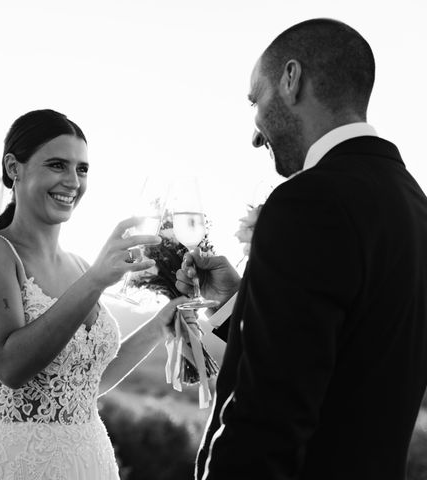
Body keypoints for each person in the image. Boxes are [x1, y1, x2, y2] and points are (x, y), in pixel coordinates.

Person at [176, 18, 427, 480]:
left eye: (256, 99)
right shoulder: (413, 204)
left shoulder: (307, 202)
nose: (255, 133)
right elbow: (343, 358)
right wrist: (244, 298)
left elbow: (267, 419)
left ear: (291, 80)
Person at [0, 109, 185, 480]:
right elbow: (11, 366)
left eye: (82, 169)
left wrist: (159, 325)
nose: (73, 181)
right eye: (57, 165)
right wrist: (96, 282)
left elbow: (86, 385)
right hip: (20, 466)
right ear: (13, 168)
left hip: (91, 463)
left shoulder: (81, 266)